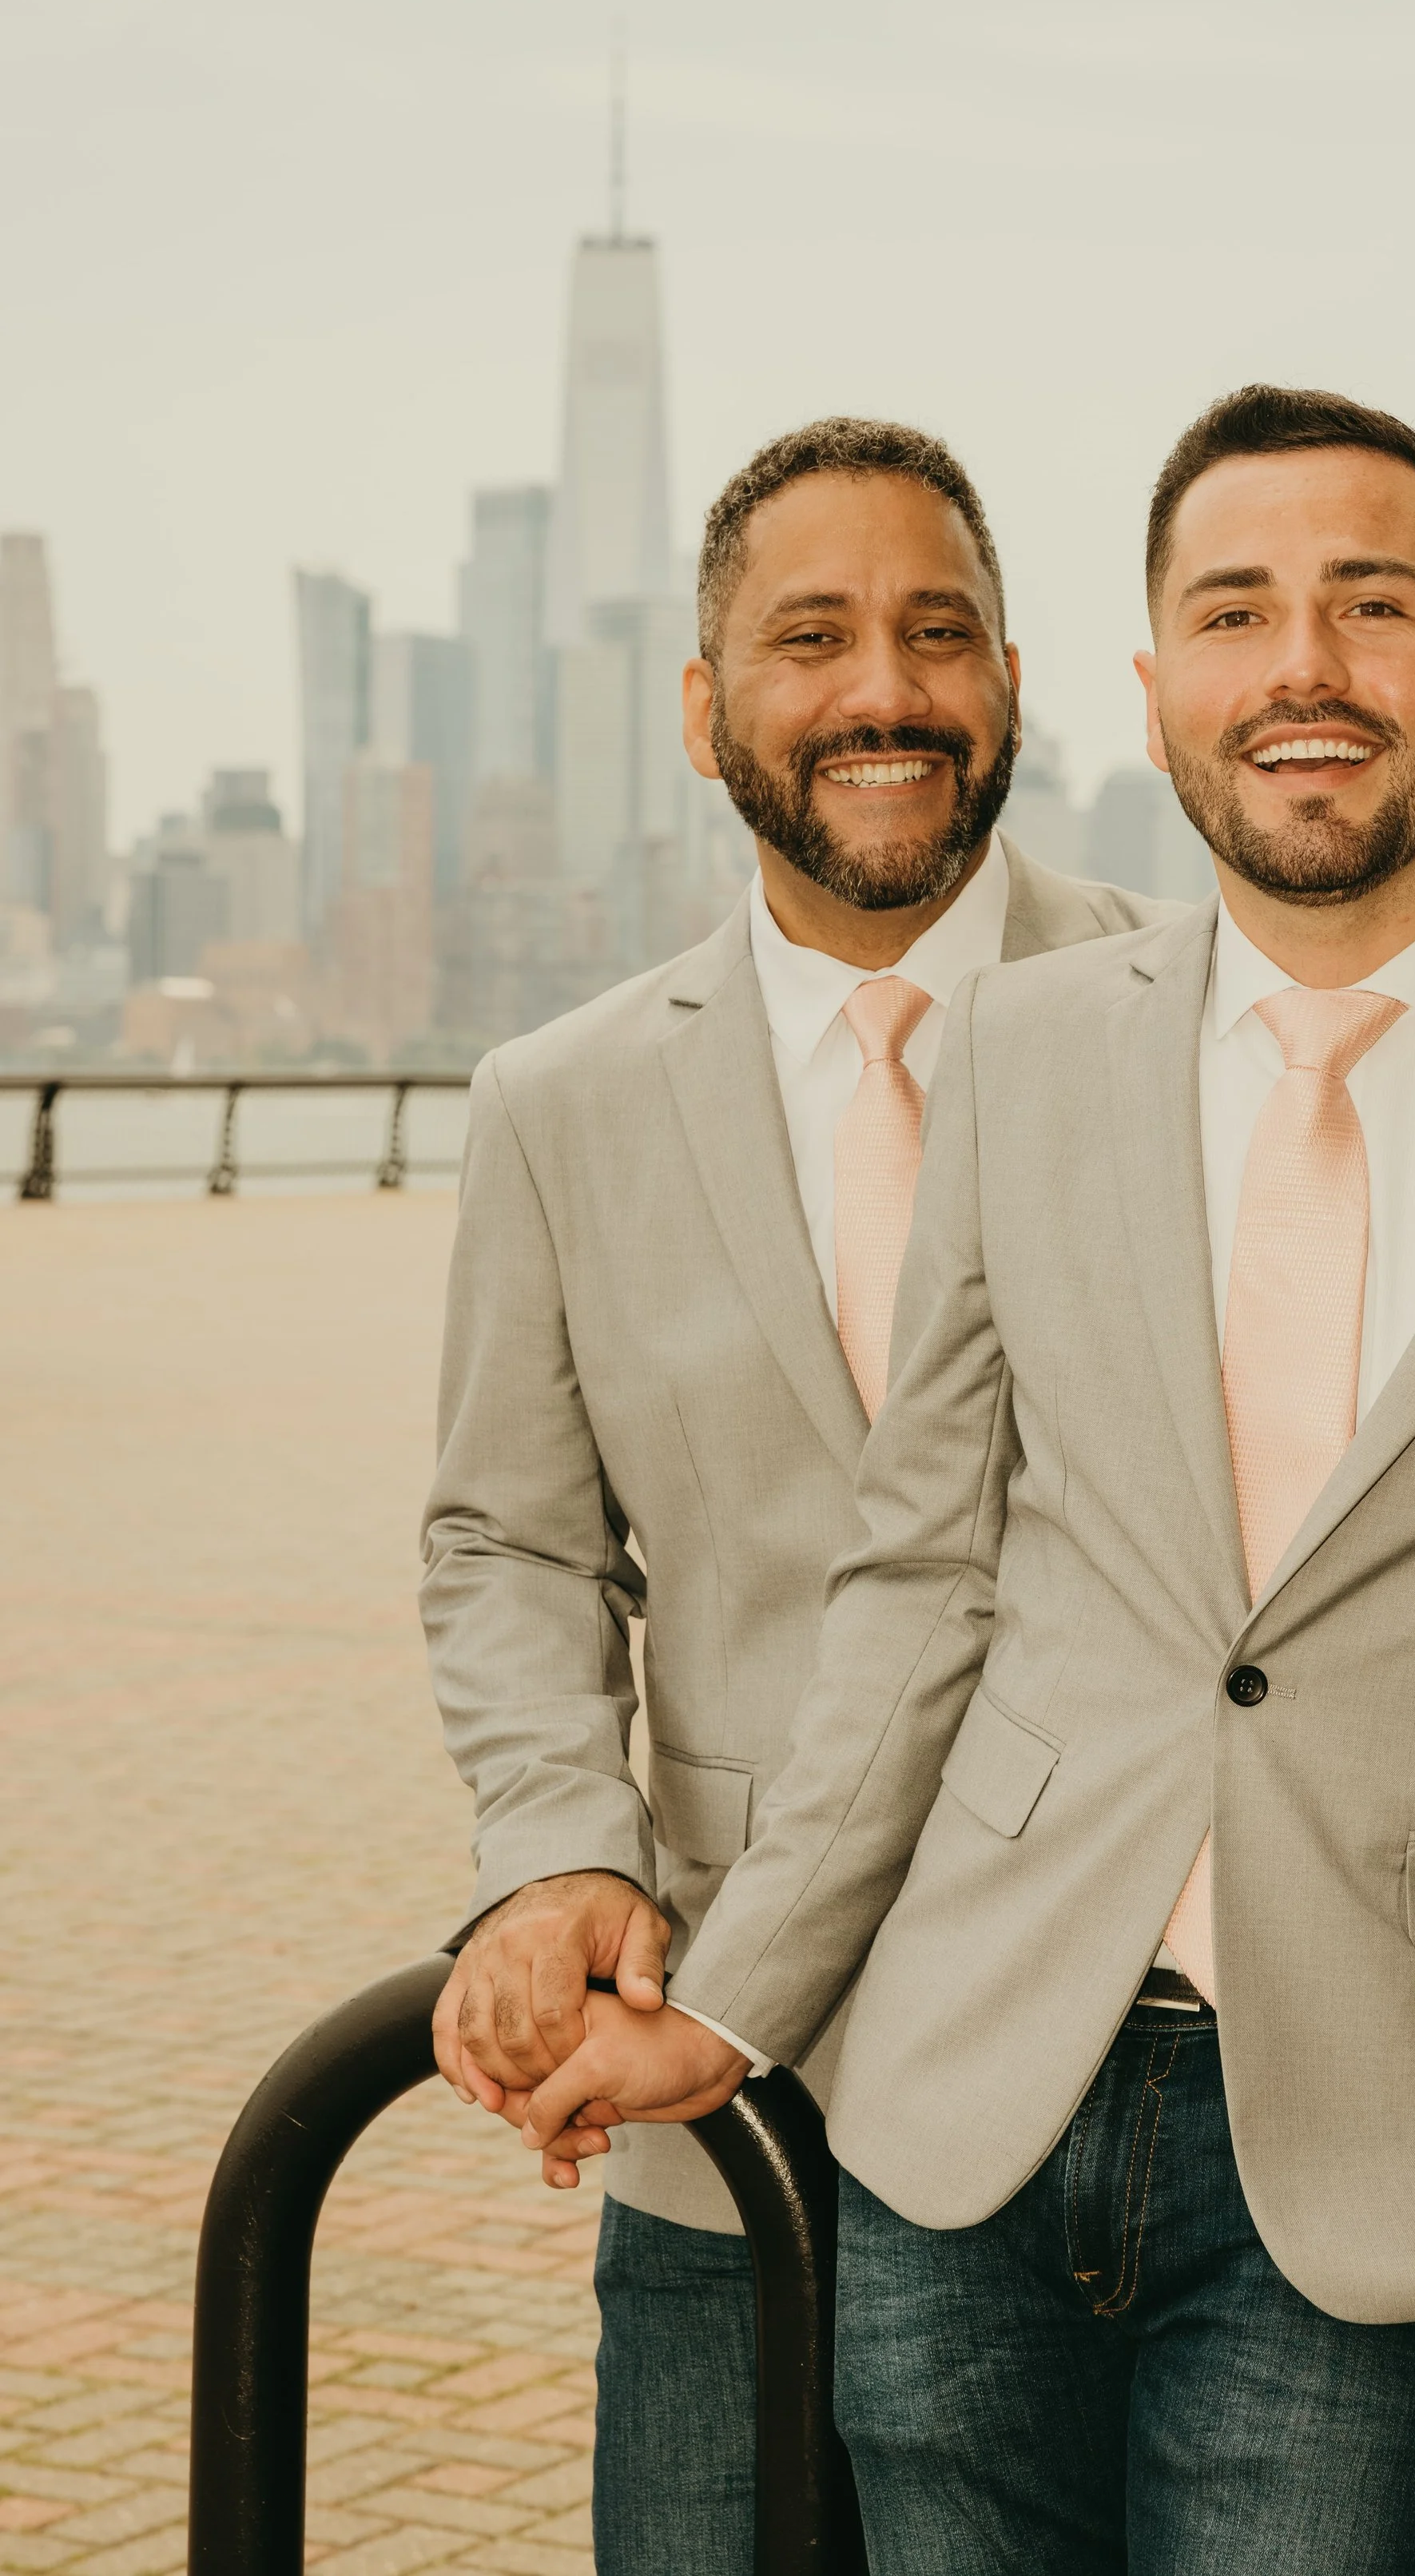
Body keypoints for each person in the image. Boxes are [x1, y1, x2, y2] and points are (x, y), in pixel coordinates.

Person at [515, 385, 1415, 2576]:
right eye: (1234, 609)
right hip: (958, 2107)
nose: (1305, 666)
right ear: (1156, 681)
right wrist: (736, 1995)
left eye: (1374, 606)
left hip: (1387, 2121)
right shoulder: (1025, 1047)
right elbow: (922, 1577)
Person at [419, 413, 1161, 2576]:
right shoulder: (552, 1104)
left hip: (1125, 2063)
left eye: (938, 634)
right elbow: (508, 1535)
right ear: (701, 706)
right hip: (721, 2074)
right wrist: (554, 1842)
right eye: (809, 634)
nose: (882, 690)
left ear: (1010, 685)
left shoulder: (1188, 1022)